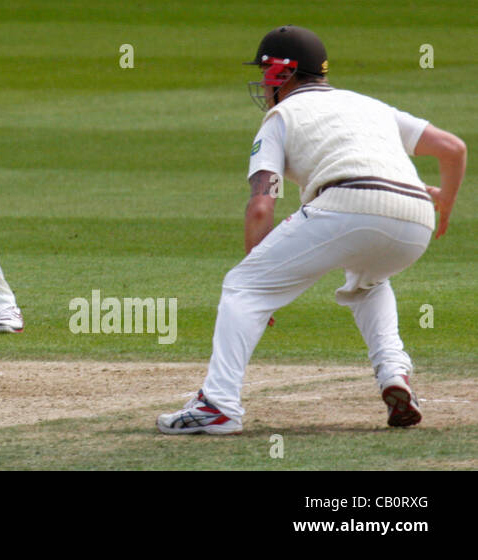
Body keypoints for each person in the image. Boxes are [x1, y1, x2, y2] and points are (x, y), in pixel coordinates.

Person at [157, 26, 465, 434]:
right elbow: (453, 148)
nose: (264, 85)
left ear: (281, 74)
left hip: (348, 204)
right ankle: (394, 373)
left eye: (267, 74)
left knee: (243, 287)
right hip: (415, 219)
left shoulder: (280, 116)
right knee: (369, 281)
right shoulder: (369, 105)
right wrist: (445, 202)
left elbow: (261, 206)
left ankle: (218, 405)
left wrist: (260, 285)